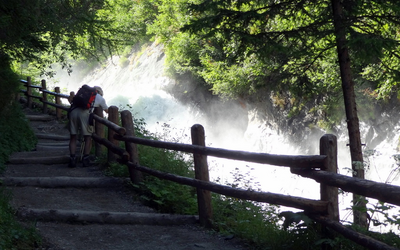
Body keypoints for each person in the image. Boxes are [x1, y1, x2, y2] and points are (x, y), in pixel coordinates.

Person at [68, 86, 108, 168]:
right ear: (100, 92)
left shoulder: (83, 93)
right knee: (88, 137)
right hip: (84, 114)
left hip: (73, 112)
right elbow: (107, 111)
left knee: (73, 137)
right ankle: (85, 159)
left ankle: (72, 159)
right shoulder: (100, 98)